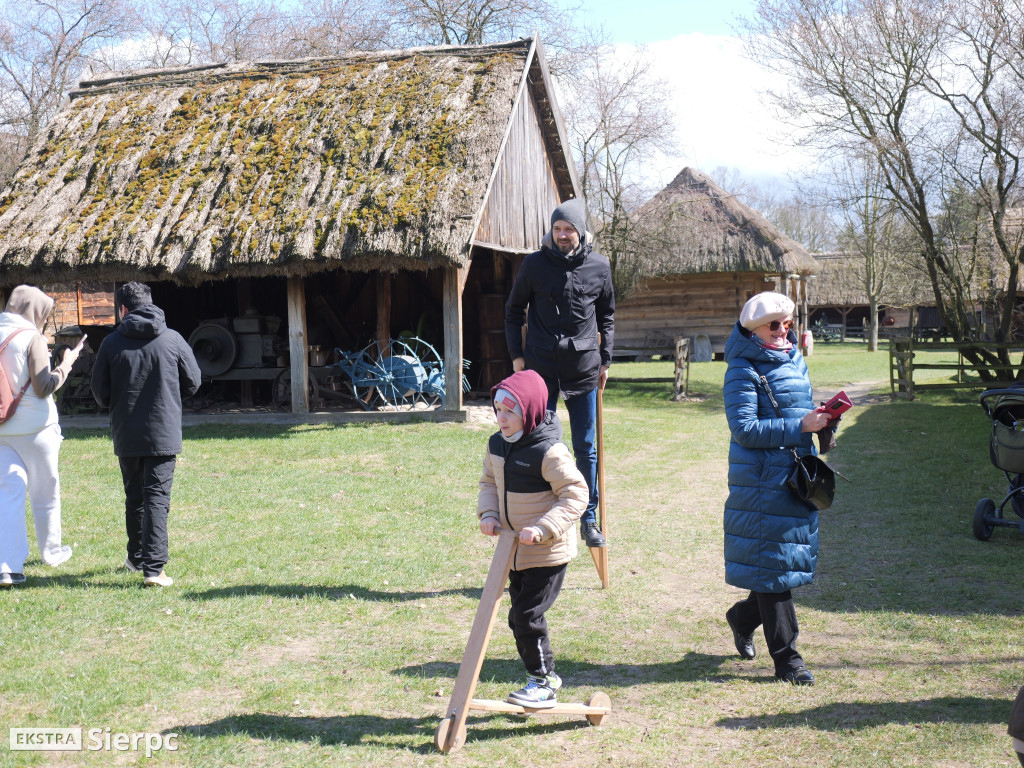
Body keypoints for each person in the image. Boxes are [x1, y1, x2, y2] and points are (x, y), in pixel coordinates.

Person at [721, 291, 831, 685]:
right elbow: (745, 430)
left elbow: (797, 408)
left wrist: (822, 422)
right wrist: (800, 426)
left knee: (778, 565)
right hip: (761, 481)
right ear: (753, 330)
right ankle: (788, 660)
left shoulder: (793, 359)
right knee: (774, 570)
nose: (783, 330)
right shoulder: (741, 369)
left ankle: (742, 617)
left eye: (788, 323)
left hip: (792, 476)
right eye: (774, 325)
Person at [505, 198, 615, 548]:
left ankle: (589, 517)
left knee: (587, 448)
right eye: (557, 229)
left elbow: (607, 316)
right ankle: (543, 510)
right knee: (541, 443)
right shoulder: (534, 265)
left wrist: (606, 360)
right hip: (540, 370)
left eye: (568, 229)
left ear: (580, 231)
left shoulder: (600, 266)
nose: (562, 235)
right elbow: (513, 311)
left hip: (583, 368)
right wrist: (517, 357)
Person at [478, 369, 588, 707]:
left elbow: (576, 494)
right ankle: (538, 678)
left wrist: (543, 528)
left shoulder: (549, 451)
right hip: (513, 549)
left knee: (526, 615)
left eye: (510, 411)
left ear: (530, 410)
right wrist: (489, 514)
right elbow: (488, 484)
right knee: (517, 617)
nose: (502, 418)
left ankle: (544, 681)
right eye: (498, 409)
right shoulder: (497, 444)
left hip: (547, 552)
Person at [91, 282, 201, 588]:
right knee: (157, 498)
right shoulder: (173, 339)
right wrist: (169, 396)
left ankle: (136, 559)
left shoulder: (111, 343)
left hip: (126, 432)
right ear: (151, 305)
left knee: (135, 496)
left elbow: (99, 393)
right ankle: (153, 569)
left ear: (123, 309)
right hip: (163, 430)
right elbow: (193, 382)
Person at [0, 286, 82, 588]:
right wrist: (66, 366)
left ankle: (8, 566)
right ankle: (51, 552)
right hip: (36, 428)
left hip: (1, 428)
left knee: (8, 496)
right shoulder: (30, 337)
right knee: (45, 493)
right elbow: (43, 386)